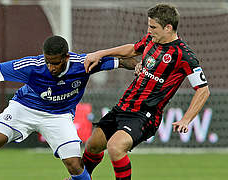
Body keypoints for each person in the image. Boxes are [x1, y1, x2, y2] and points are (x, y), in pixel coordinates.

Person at [0, 35, 137, 180]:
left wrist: (139, 66)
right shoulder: (32, 66)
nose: (51, 67)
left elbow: (120, 61)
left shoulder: (82, 63)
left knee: (74, 164)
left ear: (66, 57)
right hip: (25, 108)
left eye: (55, 63)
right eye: (48, 62)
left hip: (58, 116)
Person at [81, 3, 210, 180]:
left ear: (168, 27)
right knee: (92, 146)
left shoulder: (184, 55)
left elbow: (203, 90)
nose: (149, 30)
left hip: (145, 114)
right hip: (123, 107)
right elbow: (133, 49)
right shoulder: (151, 40)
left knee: (115, 147)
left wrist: (186, 119)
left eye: (153, 27)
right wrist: (101, 53)